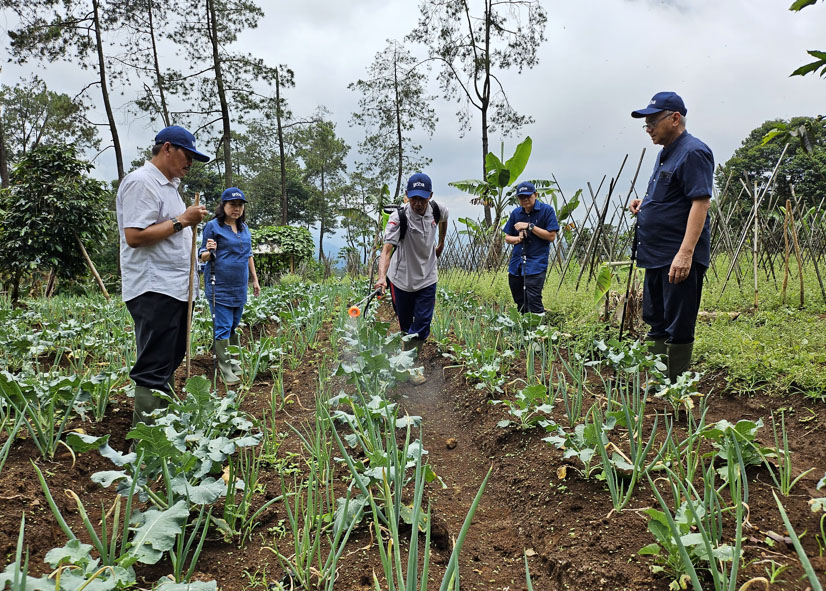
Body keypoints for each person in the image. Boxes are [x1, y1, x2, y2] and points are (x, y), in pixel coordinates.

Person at [116, 125, 210, 429]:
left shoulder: (169, 187)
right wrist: (183, 220)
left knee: (169, 357)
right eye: (188, 155)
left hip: (175, 288)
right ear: (167, 148)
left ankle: (163, 426)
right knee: (155, 362)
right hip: (154, 287)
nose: (190, 163)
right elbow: (134, 236)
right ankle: (146, 437)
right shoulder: (141, 182)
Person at [629, 91, 713, 381]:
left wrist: (686, 252)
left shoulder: (693, 152)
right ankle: (658, 379)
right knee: (656, 319)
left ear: (674, 118)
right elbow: (673, 195)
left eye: (652, 121)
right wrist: (646, 203)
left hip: (676, 255)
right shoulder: (665, 154)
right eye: (646, 124)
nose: (648, 129)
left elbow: (700, 203)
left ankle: (675, 383)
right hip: (655, 255)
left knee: (678, 322)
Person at [374, 173, 448, 385]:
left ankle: (410, 364)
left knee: (422, 325)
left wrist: (441, 243)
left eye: (422, 199)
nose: (417, 203)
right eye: (413, 198)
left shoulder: (437, 209)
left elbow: (445, 220)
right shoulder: (399, 218)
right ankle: (407, 358)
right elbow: (386, 250)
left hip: (427, 277)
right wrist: (382, 279)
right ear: (406, 196)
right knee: (406, 327)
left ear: (430, 196)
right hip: (401, 280)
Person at [198, 187, 260, 385]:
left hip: (239, 286)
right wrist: (209, 251)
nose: (237, 208)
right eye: (232, 204)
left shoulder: (244, 228)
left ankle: (233, 362)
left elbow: (248, 254)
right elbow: (202, 256)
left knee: (234, 325)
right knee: (223, 327)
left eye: (240, 205)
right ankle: (225, 370)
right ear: (223, 205)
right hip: (219, 285)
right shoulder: (213, 226)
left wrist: (255, 279)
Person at [502, 181, 560, 314]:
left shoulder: (547, 211)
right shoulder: (516, 213)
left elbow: (551, 236)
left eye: (528, 196)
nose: (525, 199)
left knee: (533, 299)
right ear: (518, 199)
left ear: (535, 195)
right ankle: (524, 331)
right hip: (517, 264)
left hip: (536, 263)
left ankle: (538, 331)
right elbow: (507, 238)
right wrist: (518, 238)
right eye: (522, 197)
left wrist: (530, 226)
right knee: (519, 299)